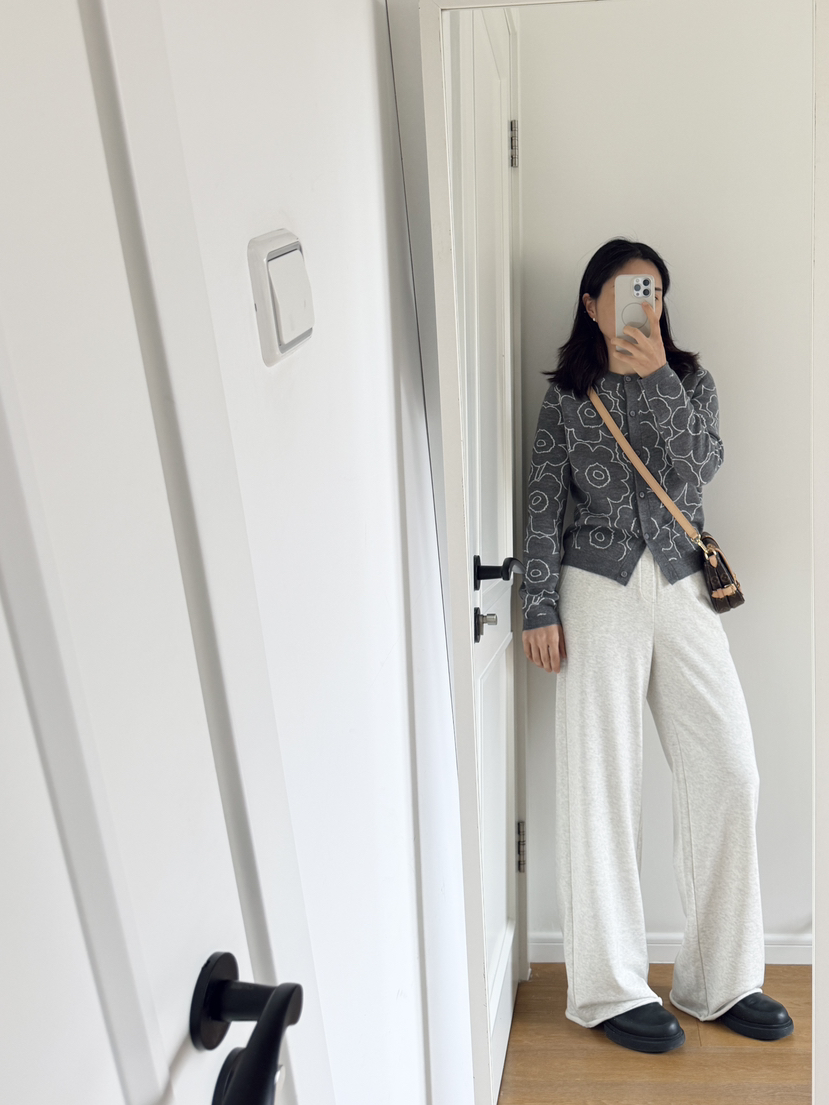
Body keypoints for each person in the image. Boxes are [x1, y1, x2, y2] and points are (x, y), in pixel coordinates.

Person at [520, 238, 794, 1053]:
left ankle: (721, 977)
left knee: (729, 770)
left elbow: (699, 466)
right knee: (600, 781)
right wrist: (536, 603)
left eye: (655, 291)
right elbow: (542, 502)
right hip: (594, 585)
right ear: (590, 302)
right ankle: (608, 987)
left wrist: (658, 379)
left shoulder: (690, 382)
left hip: (680, 583)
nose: (645, 304)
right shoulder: (566, 397)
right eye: (627, 290)